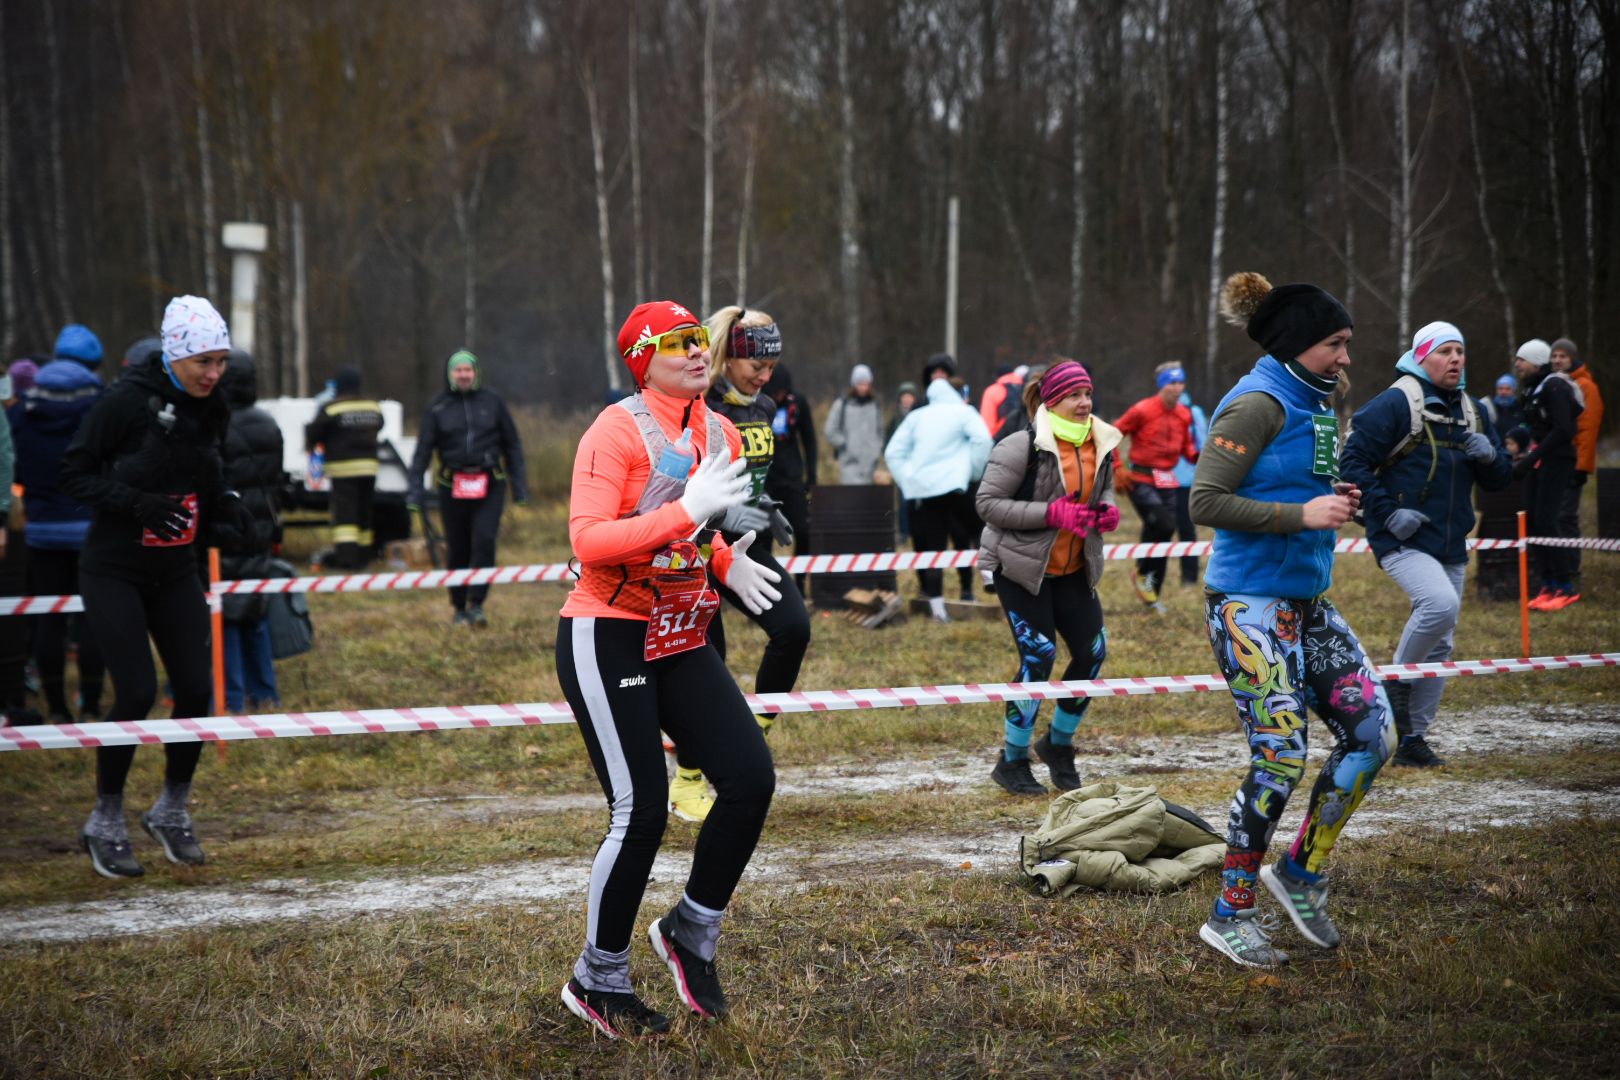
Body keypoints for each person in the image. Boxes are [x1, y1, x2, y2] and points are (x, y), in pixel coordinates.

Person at [555, 299, 779, 1038]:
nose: (697, 351)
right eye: (679, 342)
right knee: (642, 809)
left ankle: (691, 931)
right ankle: (599, 977)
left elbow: (697, 531)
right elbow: (590, 541)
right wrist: (687, 513)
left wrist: (723, 563)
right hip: (607, 628)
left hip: (681, 632)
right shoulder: (615, 429)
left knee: (749, 778)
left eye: (699, 340)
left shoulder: (717, 428)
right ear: (642, 357)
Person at [1190, 271, 1395, 969]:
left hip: (1307, 604)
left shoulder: (1314, 403)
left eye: (1346, 344)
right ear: (1299, 343)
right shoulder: (1255, 403)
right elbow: (1205, 500)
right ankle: (1230, 914)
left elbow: (1288, 481)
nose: (1345, 357)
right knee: (1279, 755)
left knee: (1374, 735)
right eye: (1335, 344)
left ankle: (1301, 876)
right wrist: (1300, 514)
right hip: (1249, 604)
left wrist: (1330, 495)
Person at [61, 295, 256, 878]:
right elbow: (73, 473)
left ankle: (171, 808)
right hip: (114, 569)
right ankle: (105, 818)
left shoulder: (212, 405)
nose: (214, 374)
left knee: (196, 690)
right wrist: (137, 504)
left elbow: (208, 465)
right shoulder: (122, 404)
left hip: (175, 569)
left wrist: (227, 504)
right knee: (136, 692)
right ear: (175, 354)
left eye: (221, 362)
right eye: (204, 362)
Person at [657, 306, 811, 824]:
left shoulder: (764, 406)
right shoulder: (700, 403)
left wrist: (774, 508)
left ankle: (756, 730)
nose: (765, 376)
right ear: (728, 357)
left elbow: (760, 477)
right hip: (698, 548)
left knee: (793, 627)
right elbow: (683, 483)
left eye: (772, 367)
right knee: (709, 663)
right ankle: (688, 778)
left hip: (748, 544)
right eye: (756, 366)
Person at [1340, 321, 1512, 769]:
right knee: (1438, 605)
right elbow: (1352, 460)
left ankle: (1412, 738)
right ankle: (1394, 684)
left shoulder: (1474, 411)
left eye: (1460, 351)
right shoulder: (1396, 402)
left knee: (1441, 643)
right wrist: (1386, 512)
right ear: (1421, 357)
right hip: (1401, 536)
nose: (1456, 359)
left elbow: (1499, 479)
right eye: (1445, 351)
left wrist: (1492, 456)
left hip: (1451, 538)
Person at [976, 360, 1122, 795]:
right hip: (1020, 568)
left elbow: (1105, 487)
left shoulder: (1102, 441)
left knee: (1092, 653)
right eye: (1075, 395)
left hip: (1074, 568)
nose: (1085, 403)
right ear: (1053, 400)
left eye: (1088, 394)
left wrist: (1107, 509)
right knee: (1038, 656)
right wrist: (1049, 514)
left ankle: (1058, 745)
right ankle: (1013, 760)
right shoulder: (1020, 446)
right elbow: (987, 504)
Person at [8, 326, 107, 722]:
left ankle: (57, 708)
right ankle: (94, 705)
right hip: (90, 529)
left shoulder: (22, 407)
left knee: (47, 616)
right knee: (92, 617)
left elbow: (11, 461)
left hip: (42, 530)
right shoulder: (101, 403)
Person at [405, 349, 528, 627]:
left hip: (489, 485)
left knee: (484, 541)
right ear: (450, 374)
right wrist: (414, 491)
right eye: (458, 370)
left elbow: (513, 445)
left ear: (476, 373)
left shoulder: (493, 402)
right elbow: (423, 452)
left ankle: (477, 604)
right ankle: (459, 605)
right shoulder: (437, 407)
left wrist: (519, 486)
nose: (463, 375)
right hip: (452, 487)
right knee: (458, 547)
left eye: (468, 370)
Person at [884, 371, 993, 620]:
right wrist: (973, 471)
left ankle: (936, 607)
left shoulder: (916, 417)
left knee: (934, 548)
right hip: (959, 485)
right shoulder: (964, 412)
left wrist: (908, 480)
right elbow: (983, 440)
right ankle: (987, 574)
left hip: (927, 491)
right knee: (977, 530)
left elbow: (892, 452)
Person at [218, 348, 285, 713]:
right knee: (256, 612)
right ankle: (266, 692)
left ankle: (232, 697)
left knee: (227, 616)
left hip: (226, 530)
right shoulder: (269, 423)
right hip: (260, 529)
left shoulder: (215, 426)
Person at [1113, 361, 1199, 611]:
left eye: (1180, 382)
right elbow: (1112, 434)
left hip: (1167, 479)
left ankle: (1152, 594)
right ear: (1162, 386)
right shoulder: (1142, 409)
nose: (1177, 387)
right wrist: (1118, 467)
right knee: (1163, 525)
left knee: (1164, 535)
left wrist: (1199, 458)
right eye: (1172, 383)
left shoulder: (1184, 414)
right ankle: (1142, 572)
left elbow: (1187, 447)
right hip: (1140, 479)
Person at [1512, 339, 1584, 609]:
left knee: (1547, 520)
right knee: (1532, 521)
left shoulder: (1554, 385)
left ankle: (1565, 586)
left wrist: (1531, 458)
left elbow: (1564, 430)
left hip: (1557, 460)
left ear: (1536, 361)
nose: (1518, 364)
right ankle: (1548, 584)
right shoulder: (1531, 389)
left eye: (1522, 359)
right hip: (1538, 461)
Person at [305, 365, 382, 570]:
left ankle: (347, 560)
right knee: (364, 513)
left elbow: (314, 432)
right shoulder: (373, 405)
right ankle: (365, 556)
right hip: (369, 467)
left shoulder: (332, 407)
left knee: (346, 516)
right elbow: (380, 424)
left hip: (343, 468)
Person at [1551, 338, 1603, 595]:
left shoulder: (1585, 387)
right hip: (1558, 464)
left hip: (1574, 465)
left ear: (1573, 358)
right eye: (1554, 356)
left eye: (1562, 356)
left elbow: (1587, 429)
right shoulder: (1559, 385)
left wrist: (1580, 467)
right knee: (1557, 518)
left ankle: (1573, 572)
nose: (1557, 361)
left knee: (1566, 518)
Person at [760, 362, 816, 585]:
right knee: (764, 535)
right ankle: (768, 583)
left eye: (782, 392)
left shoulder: (798, 403)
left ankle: (800, 582)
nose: (779, 396)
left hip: (792, 478)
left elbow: (809, 439)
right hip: (766, 479)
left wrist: (812, 475)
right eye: (775, 393)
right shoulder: (758, 404)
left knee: (803, 530)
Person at [1171, 388, 1210, 587]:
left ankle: (1190, 577)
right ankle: (1149, 578)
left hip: (1186, 479)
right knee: (1162, 528)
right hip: (1162, 479)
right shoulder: (1159, 410)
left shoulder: (1193, 412)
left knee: (1186, 528)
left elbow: (1204, 443)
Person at [824, 363, 885, 484]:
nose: (863, 387)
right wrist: (845, 444)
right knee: (851, 500)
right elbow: (830, 430)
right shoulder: (842, 404)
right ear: (854, 384)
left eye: (866, 383)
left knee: (870, 502)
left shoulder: (875, 406)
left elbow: (880, 431)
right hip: (849, 467)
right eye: (860, 383)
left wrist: (876, 449)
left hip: (871, 467)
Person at [979, 363, 1028, 439]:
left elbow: (987, 422)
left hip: (1003, 439)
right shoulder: (1026, 388)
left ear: (997, 376)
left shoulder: (993, 390)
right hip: (1026, 437)